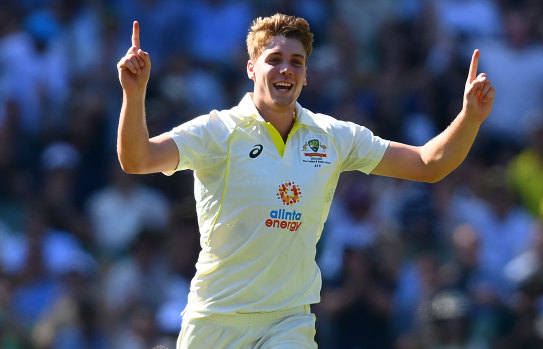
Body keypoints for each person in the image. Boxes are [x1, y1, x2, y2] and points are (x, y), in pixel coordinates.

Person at [116, 13, 495, 349]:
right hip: (216, 319)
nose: (286, 70)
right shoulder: (217, 131)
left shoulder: (333, 136)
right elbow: (137, 160)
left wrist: (470, 118)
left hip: (288, 321)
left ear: (307, 74)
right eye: (274, 59)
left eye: (296, 62)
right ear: (251, 68)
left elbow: (428, 164)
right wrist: (134, 95)